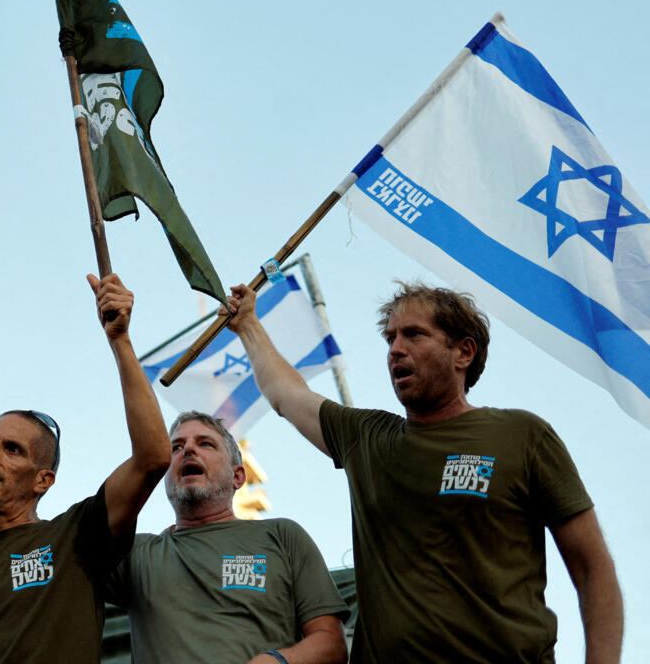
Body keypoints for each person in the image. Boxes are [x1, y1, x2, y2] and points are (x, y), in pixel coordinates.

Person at [224, 280, 623, 662]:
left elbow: (592, 569)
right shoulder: (368, 438)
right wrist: (248, 325)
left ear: (463, 352)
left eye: (414, 335)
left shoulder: (522, 435)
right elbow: (287, 394)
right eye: (391, 338)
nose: (396, 349)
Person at [0, 273, 170, 664]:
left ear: (44, 480)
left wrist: (120, 341)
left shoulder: (75, 536)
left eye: (12, 450)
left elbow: (153, 457)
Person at [107, 411, 348, 664]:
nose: (188, 449)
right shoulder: (134, 554)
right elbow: (73, 553)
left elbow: (332, 644)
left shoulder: (283, 536)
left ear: (238, 476)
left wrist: (277, 661)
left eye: (205, 443)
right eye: (176, 447)